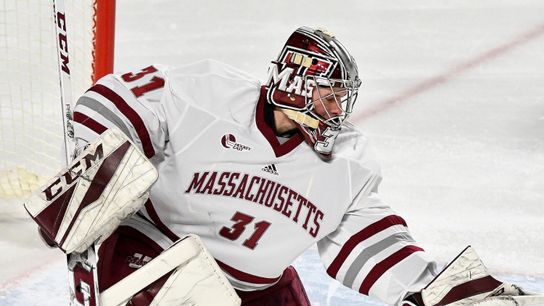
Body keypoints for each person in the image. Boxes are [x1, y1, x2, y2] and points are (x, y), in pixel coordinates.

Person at [29, 26, 537, 306]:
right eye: (329, 94)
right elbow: (106, 102)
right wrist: (98, 162)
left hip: (257, 290)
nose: (339, 109)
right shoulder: (208, 96)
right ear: (296, 84)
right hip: (152, 261)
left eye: (343, 97)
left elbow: (368, 244)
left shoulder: (346, 161)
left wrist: (439, 292)